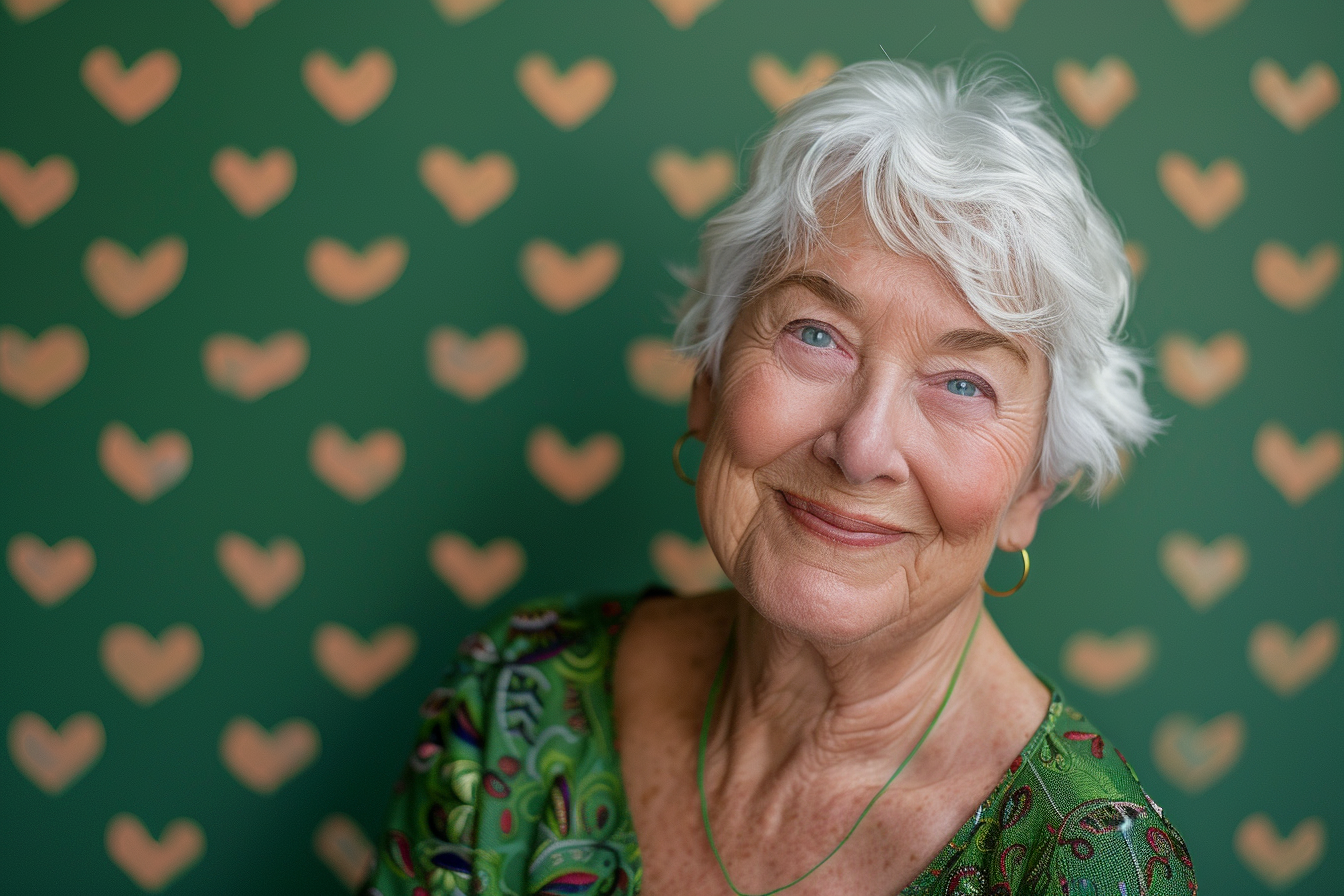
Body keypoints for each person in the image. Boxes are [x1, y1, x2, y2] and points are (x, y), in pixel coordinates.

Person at [362, 58, 1196, 895]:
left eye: (963, 385)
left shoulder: (1090, 866)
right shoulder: (518, 694)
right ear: (708, 384)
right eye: (817, 335)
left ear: (1030, 495)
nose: (863, 446)